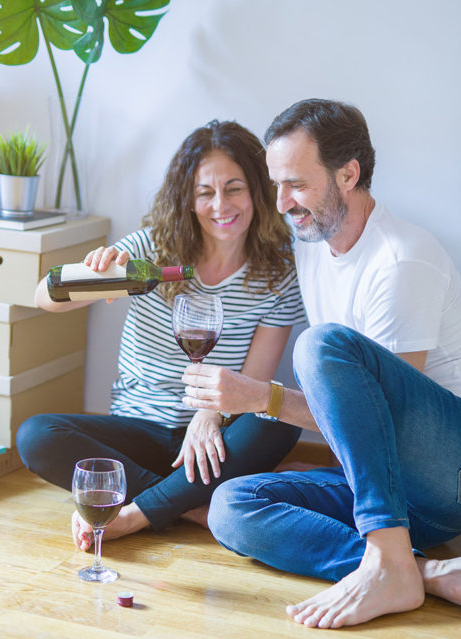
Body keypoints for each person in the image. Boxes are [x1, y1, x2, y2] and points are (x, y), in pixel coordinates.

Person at [181, 99, 461, 629]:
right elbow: (223, 236)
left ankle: (388, 558)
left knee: (319, 346)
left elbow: (386, 423)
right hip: (395, 490)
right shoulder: (311, 242)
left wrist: (261, 399)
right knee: (232, 506)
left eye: (296, 184)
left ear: (349, 174)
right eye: (276, 185)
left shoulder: (402, 259)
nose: (283, 203)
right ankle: (417, 571)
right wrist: (121, 266)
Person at [17, 120, 306, 552]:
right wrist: (97, 275)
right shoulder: (152, 249)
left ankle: (136, 513)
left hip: (215, 442)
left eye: (234, 188)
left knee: (281, 416)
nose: (220, 205)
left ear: (257, 191)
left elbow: (254, 383)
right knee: (35, 435)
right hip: (140, 431)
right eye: (205, 192)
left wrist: (209, 418)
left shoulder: (279, 273)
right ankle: (193, 510)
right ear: (188, 199)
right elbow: (43, 297)